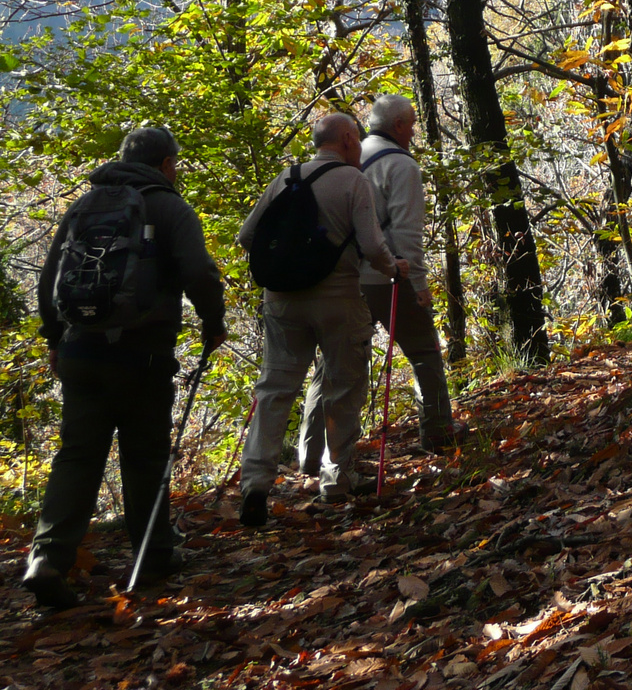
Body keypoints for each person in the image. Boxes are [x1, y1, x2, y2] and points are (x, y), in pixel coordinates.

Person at [23, 127, 227, 609]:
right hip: (143, 354)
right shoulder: (169, 206)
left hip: (80, 352)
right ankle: (155, 555)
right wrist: (212, 322)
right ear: (165, 164)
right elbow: (198, 271)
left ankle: (47, 559)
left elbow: (51, 277)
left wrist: (55, 339)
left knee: (76, 455)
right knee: (144, 453)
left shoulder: (84, 206)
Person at [237, 113, 407, 524]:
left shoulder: (285, 177)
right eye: (358, 137)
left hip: (281, 301)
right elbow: (372, 245)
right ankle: (335, 480)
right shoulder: (353, 182)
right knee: (343, 386)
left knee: (275, 388)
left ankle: (255, 484)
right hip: (337, 299)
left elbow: (247, 236)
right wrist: (394, 268)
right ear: (348, 140)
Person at [298, 95, 461, 473]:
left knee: (332, 364)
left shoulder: (347, 160)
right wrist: (417, 283)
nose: (415, 130)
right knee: (423, 350)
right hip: (387, 275)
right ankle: (437, 430)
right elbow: (406, 232)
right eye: (412, 123)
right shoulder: (401, 165)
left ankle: (309, 453)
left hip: (342, 279)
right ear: (400, 126)